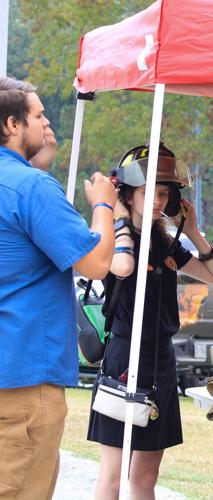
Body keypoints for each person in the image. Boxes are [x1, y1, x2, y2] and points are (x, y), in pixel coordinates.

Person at [87, 143, 213, 498]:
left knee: (146, 477)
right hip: (124, 358)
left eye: (163, 193)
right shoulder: (114, 241)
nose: (157, 201)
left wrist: (193, 232)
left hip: (161, 361)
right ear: (129, 195)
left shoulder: (165, 242)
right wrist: (119, 220)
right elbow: (122, 267)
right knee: (113, 475)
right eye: (148, 192)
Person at [0, 77, 117, 499]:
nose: (48, 123)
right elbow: (97, 263)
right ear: (13, 124)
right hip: (22, 381)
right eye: (39, 115)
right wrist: (104, 204)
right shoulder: (31, 188)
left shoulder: (22, 184)